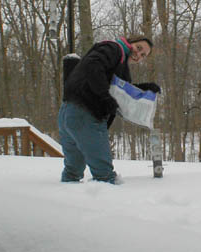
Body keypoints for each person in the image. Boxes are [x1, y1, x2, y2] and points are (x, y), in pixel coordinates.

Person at [58, 35, 161, 184]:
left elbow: (117, 90)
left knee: (72, 173)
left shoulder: (117, 61)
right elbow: (93, 66)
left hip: (68, 114)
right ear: (130, 42)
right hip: (86, 114)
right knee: (105, 177)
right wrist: (104, 98)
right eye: (138, 48)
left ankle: (64, 202)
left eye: (143, 55)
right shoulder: (114, 49)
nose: (138, 55)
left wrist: (144, 88)